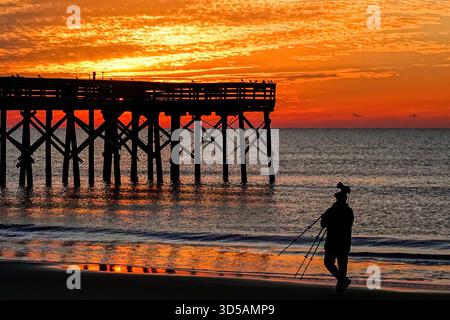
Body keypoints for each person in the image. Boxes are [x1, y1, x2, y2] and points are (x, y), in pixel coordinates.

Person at [321, 190, 354, 293]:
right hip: (345, 242)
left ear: (337, 199)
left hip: (332, 241)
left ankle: (342, 281)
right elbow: (349, 224)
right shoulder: (349, 211)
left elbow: (323, 224)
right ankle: (340, 286)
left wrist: (325, 216)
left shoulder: (331, 210)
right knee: (342, 265)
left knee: (328, 262)